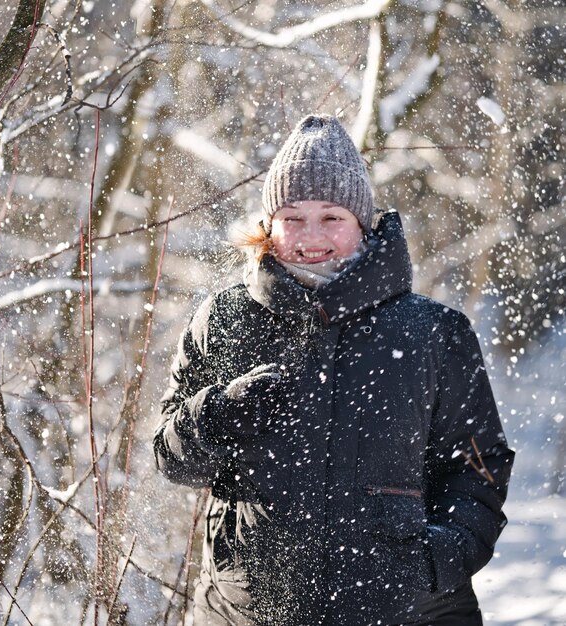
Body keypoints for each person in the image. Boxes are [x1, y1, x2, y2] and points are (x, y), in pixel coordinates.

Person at [153, 114, 514, 625]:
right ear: (268, 225)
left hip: (414, 615)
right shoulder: (222, 320)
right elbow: (169, 456)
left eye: (332, 217)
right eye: (292, 217)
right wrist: (214, 415)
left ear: (362, 223)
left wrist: (438, 559)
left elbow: (478, 466)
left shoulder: (433, 332)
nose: (310, 237)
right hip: (243, 614)